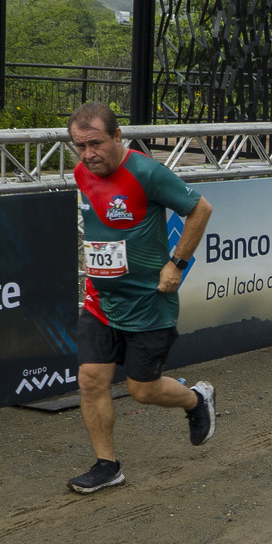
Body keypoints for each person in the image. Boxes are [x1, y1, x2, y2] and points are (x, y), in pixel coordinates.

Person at [68, 103, 217, 494]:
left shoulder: (148, 173)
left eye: (96, 144)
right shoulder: (82, 173)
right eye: (80, 146)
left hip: (148, 303)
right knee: (90, 380)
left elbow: (200, 209)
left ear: (118, 136)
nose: (88, 154)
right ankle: (107, 466)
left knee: (142, 390)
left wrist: (177, 264)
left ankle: (196, 399)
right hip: (100, 300)